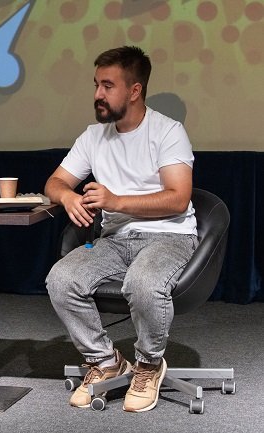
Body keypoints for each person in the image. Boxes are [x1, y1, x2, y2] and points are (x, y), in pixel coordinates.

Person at [44, 46, 198, 413]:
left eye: (108, 86)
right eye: (96, 84)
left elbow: (178, 199)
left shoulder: (168, 131)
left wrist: (115, 201)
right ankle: (105, 360)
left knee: (143, 283)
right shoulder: (93, 136)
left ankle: (148, 365)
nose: (98, 94)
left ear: (134, 90)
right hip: (114, 239)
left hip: (169, 235)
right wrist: (67, 197)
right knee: (61, 280)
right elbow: (54, 182)